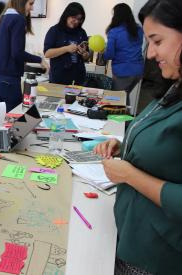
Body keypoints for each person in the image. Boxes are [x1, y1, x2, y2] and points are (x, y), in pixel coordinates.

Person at [94, 0, 182, 274]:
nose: (150, 54)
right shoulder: (174, 85)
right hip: (130, 237)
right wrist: (125, 147)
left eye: (157, 41)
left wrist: (129, 175)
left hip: (155, 257)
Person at [0, 0, 49, 112]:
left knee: (0, 120)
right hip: (9, 82)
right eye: (30, 4)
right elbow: (17, 53)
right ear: (21, 3)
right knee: (15, 122)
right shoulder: (18, 20)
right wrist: (40, 60)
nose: (32, 8)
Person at [103, 3, 144, 106]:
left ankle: (120, 122)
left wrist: (102, 53)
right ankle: (126, 121)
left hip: (123, 72)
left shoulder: (114, 32)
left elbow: (110, 54)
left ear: (116, 16)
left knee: (117, 99)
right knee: (124, 96)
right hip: (138, 71)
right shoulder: (138, 29)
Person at [43, 2, 89, 85]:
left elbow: (86, 56)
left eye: (79, 19)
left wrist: (84, 53)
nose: (76, 21)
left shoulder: (82, 32)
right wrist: (66, 49)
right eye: (74, 18)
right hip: (59, 78)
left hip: (79, 78)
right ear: (67, 15)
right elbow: (47, 53)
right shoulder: (55, 30)